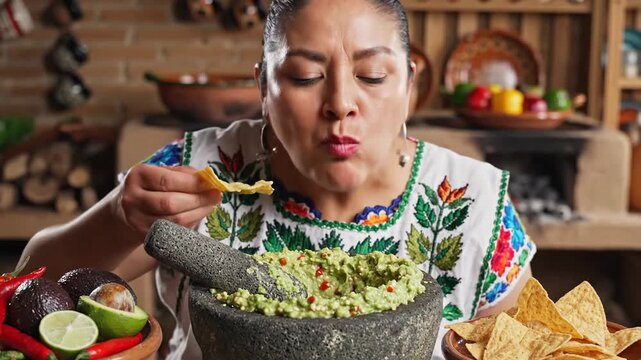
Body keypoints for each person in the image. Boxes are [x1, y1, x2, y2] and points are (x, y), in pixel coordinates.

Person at [20, 0, 536, 358]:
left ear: (408, 87)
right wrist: (119, 218)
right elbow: (29, 288)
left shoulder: (472, 204)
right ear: (264, 87)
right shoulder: (199, 171)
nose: (340, 104)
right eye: (305, 77)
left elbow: (527, 345)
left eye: (373, 76)